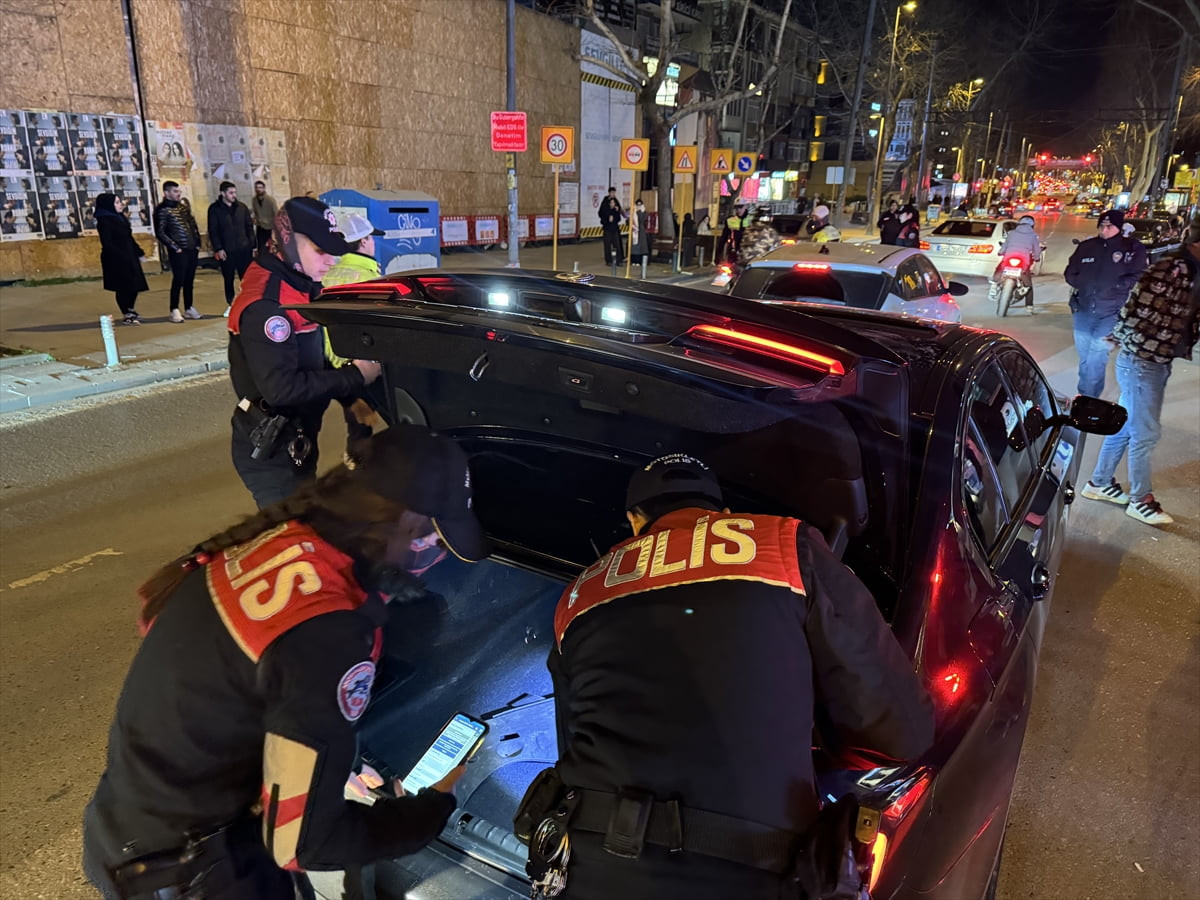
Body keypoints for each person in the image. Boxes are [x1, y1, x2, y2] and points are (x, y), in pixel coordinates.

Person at [83, 425, 491, 900]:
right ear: (404, 521)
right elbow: (304, 845)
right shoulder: (328, 628)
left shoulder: (272, 541)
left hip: (124, 828)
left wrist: (314, 758)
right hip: (195, 874)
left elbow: (216, 685)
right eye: (430, 536)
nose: (429, 553)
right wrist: (426, 813)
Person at [530, 454, 935, 899]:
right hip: (751, 871)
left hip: (591, 867)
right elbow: (902, 731)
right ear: (723, 515)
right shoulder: (786, 546)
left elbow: (572, 740)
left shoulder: (579, 593)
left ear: (634, 521)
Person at [227, 196, 381, 509]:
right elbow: (282, 389)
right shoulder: (267, 307)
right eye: (320, 250)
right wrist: (354, 376)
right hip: (273, 450)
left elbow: (313, 358)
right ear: (289, 242)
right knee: (290, 536)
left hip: (296, 441)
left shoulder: (299, 283)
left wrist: (352, 398)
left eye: (334, 251)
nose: (332, 261)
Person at [1080, 221, 1199, 526]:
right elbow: (1135, 307)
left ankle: (1099, 483)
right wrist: (1124, 340)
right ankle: (1140, 499)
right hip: (1142, 360)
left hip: (1154, 360)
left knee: (1125, 425)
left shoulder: (1190, 269)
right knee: (1146, 432)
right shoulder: (1172, 268)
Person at [1064, 209, 1148, 397]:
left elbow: (1140, 274)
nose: (1105, 229)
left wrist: (1117, 286)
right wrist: (1081, 282)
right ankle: (1085, 396)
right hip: (1083, 310)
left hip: (1111, 312)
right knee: (1086, 358)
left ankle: (1087, 400)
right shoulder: (1087, 246)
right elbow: (1071, 271)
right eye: (1102, 225)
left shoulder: (1132, 248)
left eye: (1110, 226)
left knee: (1096, 358)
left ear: (1118, 227)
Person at [94, 193, 147, 325]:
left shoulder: (120, 218)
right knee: (123, 286)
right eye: (117, 203)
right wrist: (121, 256)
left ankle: (131, 309)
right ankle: (126, 313)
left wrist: (138, 251)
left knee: (135, 284)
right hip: (116, 258)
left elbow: (128, 237)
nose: (121, 205)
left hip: (129, 255)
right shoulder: (104, 221)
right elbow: (108, 242)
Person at [153, 180, 202, 323]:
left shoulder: (183, 208)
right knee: (178, 279)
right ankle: (174, 309)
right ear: (166, 193)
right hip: (178, 251)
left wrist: (197, 243)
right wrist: (175, 247)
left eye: (178, 191)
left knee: (189, 280)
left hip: (191, 248)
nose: (178, 193)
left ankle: (189, 307)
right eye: (174, 191)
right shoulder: (162, 210)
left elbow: (192, 225)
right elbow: (160, 232)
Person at [208, 181, 257, 317]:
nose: (233, 195)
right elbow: (213, 230)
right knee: (228, 278)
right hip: (227, 251)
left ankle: (247, 303)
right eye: (230, 193)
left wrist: (252, 245)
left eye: (235, 192)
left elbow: (249, 227)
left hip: (243, 249)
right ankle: (231, 304)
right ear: (223, 193)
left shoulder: (242, 208)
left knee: (246, 278)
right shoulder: (215, 209)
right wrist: (218, 248)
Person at [988, 215, 1043, 312]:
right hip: (1023, 260)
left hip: (1009, 258)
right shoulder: (1033, 235)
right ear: (1032, 225)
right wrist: (1037, 259)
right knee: (1027, 280)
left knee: (1000, 268)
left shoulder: (1012, 233)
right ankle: (1029, 306)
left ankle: (994, 285)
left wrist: (1000, 252)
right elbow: (1037, 250)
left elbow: (1005, 246)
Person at [251, 179, 278, 256]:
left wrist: (275, 229)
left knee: (270, 247)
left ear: (264, 188)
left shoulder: (270, 200)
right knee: (260, 246)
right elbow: (255, 212)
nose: (258, 189)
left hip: (269, 227)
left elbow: (276, 214)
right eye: (257, 187)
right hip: (260, 226)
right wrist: (255, 219)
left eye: (260, 187)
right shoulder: (254, 200)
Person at [599, 187, 624, 265]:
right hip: (607, 228)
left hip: (615, 228)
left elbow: (619, 215)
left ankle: (619, 260)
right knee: (607, 245)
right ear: (609, 193)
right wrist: (607, 218)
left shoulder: (616, 201)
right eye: (612, 193)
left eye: (614, 193)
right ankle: (609, 260)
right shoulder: (605, 201)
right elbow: (601, 213)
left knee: (617, 244)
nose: (613, 194)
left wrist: (617, 210)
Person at [629, 198, 649, 264]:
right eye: (637, 205)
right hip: (634, 231)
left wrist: (641, 212)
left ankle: (640, 261)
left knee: (641, 247)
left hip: (641, 231)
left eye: (640, 205)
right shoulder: (633, 212)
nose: (638, 206)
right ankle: (634, 260)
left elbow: (643, 219)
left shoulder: (644, 212)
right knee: (635, 246)